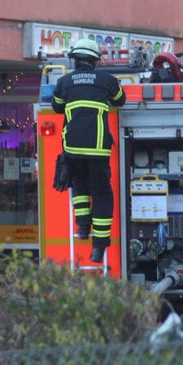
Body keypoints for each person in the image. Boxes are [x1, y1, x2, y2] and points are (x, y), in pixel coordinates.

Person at [52, 38, 126, 263]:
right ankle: (99, 248)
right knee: (102, 193)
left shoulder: (64, 81)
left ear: (75, 60)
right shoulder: (107, 80)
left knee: (80, 186)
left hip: (72, 148)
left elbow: (57, 107)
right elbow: (120, 101)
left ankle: (83, 228)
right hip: (98, 150)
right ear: (95, 61)